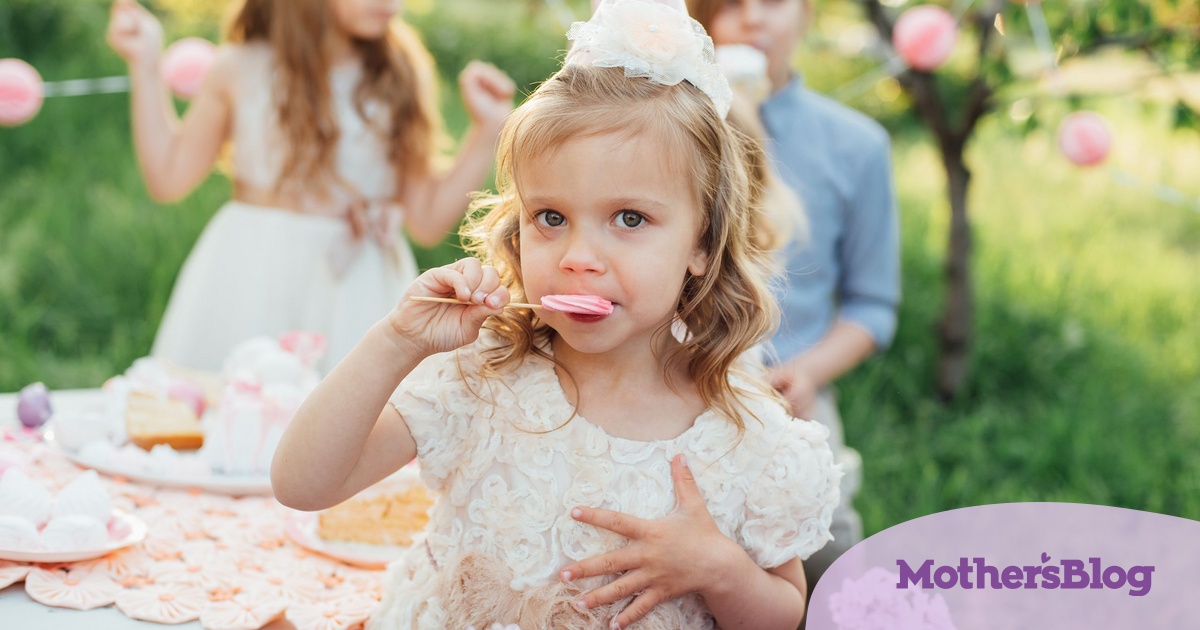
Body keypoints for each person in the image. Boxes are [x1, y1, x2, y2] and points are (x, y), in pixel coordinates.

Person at [271, 1, 840, 627]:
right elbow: (303, 485)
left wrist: (720, 571)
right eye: (551, 217)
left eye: (629, 219)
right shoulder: (481, 376)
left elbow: (784, 613)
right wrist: (395, 341)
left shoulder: (747, 436)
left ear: (701, 243)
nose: (578, 258)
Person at [105, 0, 515, 373]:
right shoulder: (240, 66)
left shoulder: (397, 71)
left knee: (349, 413)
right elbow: (168, 177)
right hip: (252, 276)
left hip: (358, 286)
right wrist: (145, 61)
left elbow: (426, 220)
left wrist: (487, 129)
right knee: (240, 404)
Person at [687, 0, 901, 590]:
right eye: (732, 4)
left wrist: (806, 373)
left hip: (785, 386)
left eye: (774, 2)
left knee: (824, 542)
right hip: (672, 371)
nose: (753, 19)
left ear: (806, 14)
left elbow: (872, 305)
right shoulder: (663, 126)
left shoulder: (857, 145)